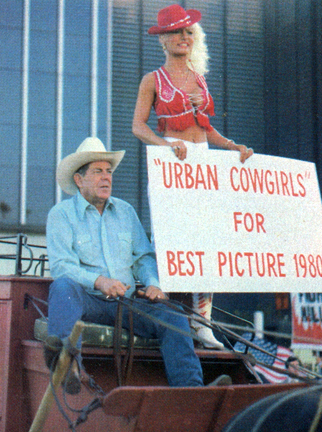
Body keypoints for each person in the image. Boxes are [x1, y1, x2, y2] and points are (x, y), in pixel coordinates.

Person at [46, 137, 230, 393]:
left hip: (127, 303)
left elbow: (143, 258)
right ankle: (70, 368)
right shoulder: (61, 215)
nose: (106, 178)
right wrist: (100, 281)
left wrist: (154, 284)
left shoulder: (125, 212)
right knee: (63, 287)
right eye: (97, 172)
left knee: (173, 314)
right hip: (88, 301)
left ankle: (191, 392)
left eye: (109, 172)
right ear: (79, 180)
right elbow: (62, 266)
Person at [132, 4, 253, 350]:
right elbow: (138, 126)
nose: (183, 38)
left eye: (188, 32)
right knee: (172, 239)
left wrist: (232, 146)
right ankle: (165, 318)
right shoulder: (152, 80)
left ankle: (203, 322)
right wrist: (165, 146)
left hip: (202, 163)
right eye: (175, 32)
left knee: (206, 241)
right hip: (172, 164)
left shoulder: (200, 78)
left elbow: (206, 128)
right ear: (164, 40)